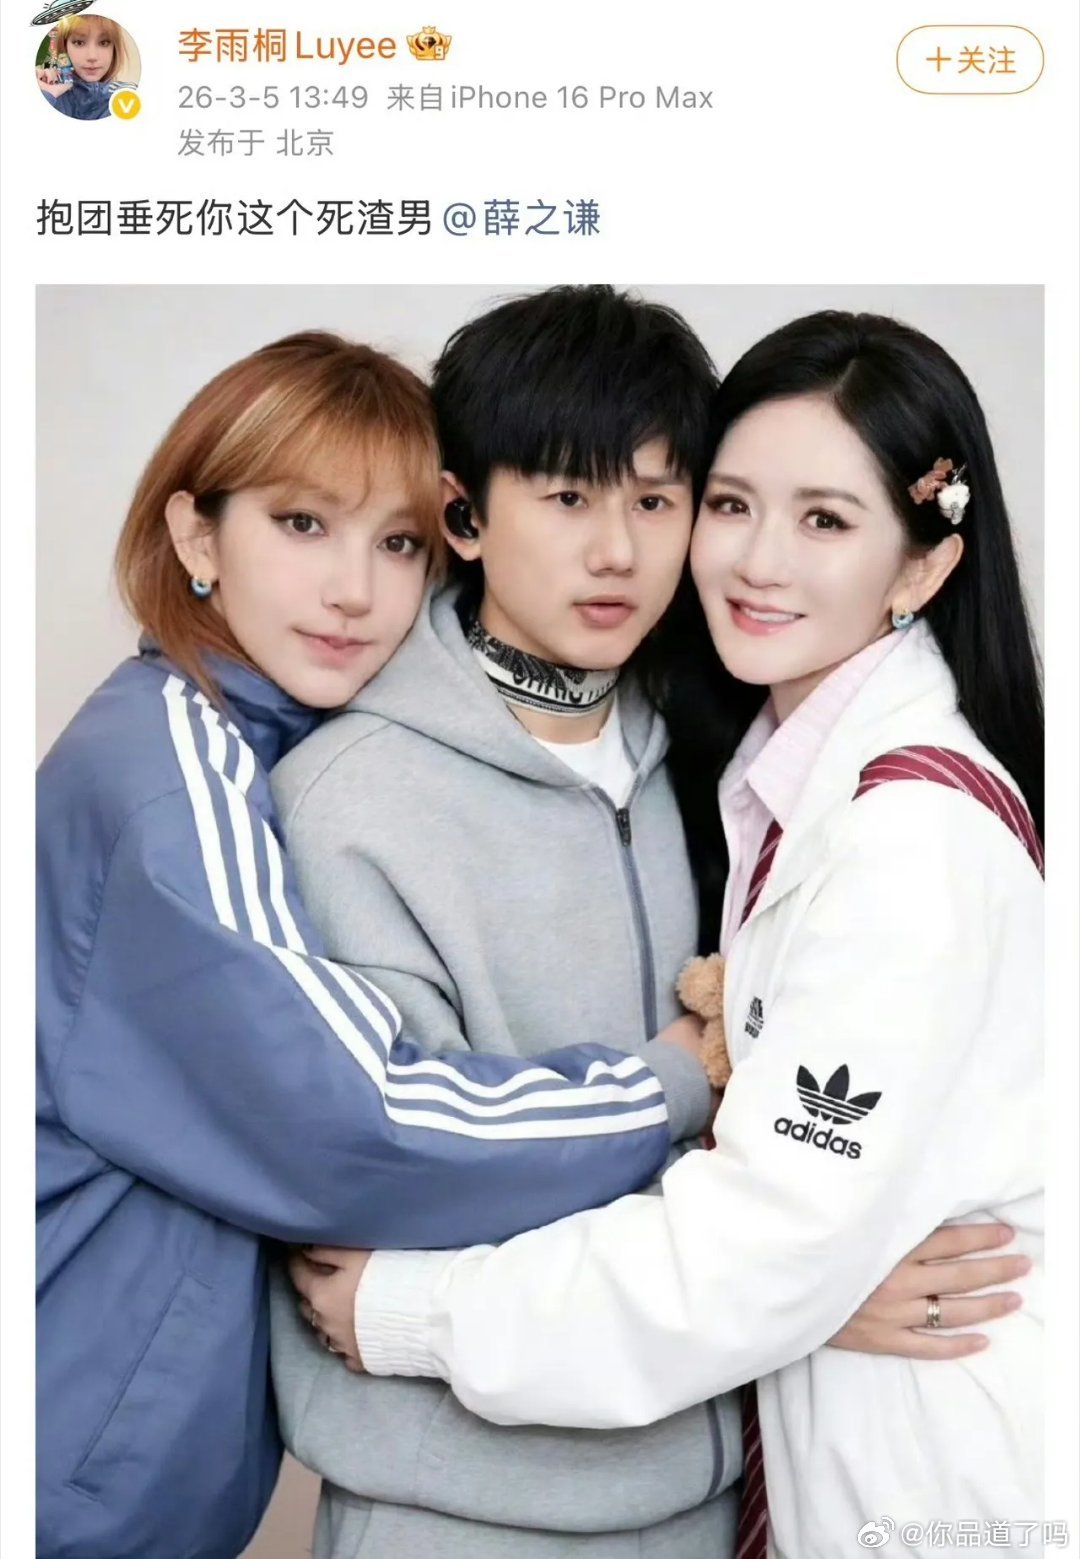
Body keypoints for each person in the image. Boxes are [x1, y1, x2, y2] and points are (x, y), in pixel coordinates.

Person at [273, 292, 1029, 1559]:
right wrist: (797, 1281)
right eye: (569, 496)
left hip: (707, 1488)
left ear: (921, 561)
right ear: (464, 513)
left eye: (661, 497)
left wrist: (789, 1280)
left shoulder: (720, 759)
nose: (619, 551)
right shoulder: (350, 801)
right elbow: (386, 1181)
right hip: (456, 1508)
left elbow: (780, 1202)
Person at [36, 330, 718, 1559]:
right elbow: (355, 1119)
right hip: (67, 1461)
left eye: (395, 542)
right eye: (301, 524)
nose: (353, 589)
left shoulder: (256, 742)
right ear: (197, 536)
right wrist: (667, 1079)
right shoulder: (170, 776)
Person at [37, 11, 136, 120]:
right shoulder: (52, 96)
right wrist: (47, 94)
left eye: (104, 43)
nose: (92, 56)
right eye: (79, 42)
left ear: (114, 49)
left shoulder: (129, 96)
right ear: (65, 47)